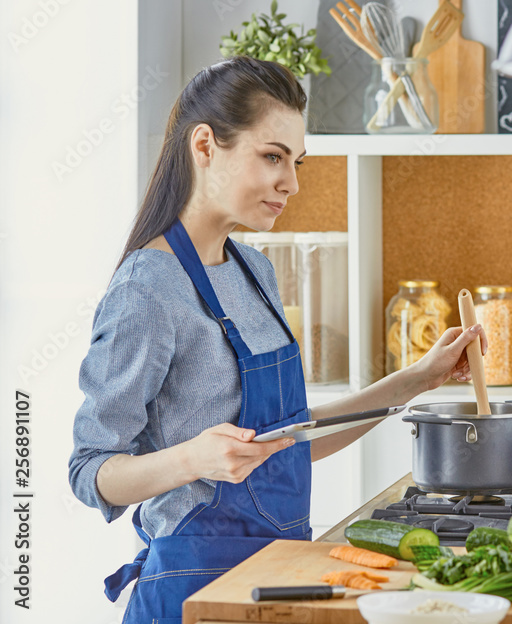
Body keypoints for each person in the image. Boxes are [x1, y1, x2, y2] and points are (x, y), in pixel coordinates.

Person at [68, 56, 487, 623]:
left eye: (297, 161)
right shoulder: (148, 287)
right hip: (195, 596)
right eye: (272, 157)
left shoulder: (254, 271)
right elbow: (92, 473)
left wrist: (418, 379)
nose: (291, 182)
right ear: (204, 146)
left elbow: (288, 442)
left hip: (280, 580)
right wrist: (196, 458)